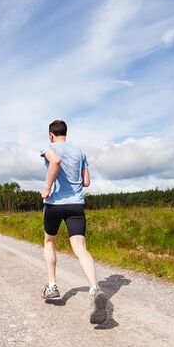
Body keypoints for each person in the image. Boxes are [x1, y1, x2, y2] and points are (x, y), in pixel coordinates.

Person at [40, 119, 108, 324]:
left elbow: (56, 161)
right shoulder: (80, 152)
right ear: (65, 133)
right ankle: (95, 288)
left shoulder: (48, 148)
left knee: (50, 241)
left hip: (54, 205)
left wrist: (46, 188)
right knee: (80, 248)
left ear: (51, 135)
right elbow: (86, 182)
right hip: (76, 205)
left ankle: (52, 286)